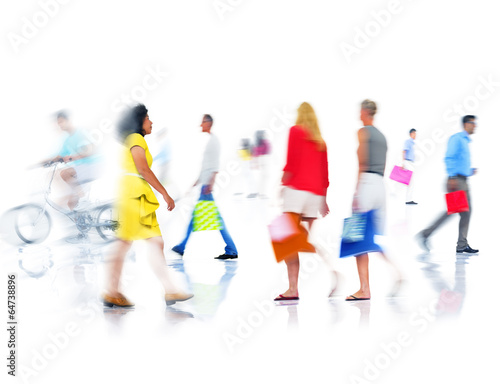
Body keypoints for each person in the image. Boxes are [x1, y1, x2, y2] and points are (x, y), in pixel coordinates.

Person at [102, 104, 193, 308]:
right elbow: (143, 168)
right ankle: (114, 291)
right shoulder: (136, 139)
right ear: (139, 121)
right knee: (138, 242)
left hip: (135, 193)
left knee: (140, 242)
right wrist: (165, 194)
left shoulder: (133, 140)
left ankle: (114, 291)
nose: (151, 122)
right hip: (135, 194)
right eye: (148, 118)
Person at [346, 99, 401, 301]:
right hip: (380, 185)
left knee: (357, 238)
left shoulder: (363, 132)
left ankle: (364, 289)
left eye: (360, 110)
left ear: (365, 112)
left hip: (367, 184)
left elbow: (362, 162)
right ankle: (398, 274)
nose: (358, 114)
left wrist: (356, 191)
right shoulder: (382, 137)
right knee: (371, 238)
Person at [274, 102, 330, 301]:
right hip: (315, 196)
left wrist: (282, 183)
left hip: (296, 191)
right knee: (302, 239)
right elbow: (325, 175)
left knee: (288, 240)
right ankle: (333, 270)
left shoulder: (295, 131)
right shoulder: (320, 142)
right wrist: (323, 201)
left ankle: (292, 289)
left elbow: (291, 162)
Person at [172, 114, 238, 260]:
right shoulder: (211, 141)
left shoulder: (214, 142)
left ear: (209, 123)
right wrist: (195, 183)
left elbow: (214, 166)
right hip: (204, 185)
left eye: (203, 122)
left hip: (207, 187)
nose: (200, 125)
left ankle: (183, 246)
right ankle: (231, 248)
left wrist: (210, 184)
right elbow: (206, 167)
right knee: (203, 218)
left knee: (201, 218)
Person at [417, 115, 479, 255]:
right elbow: (449, 157)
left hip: (462, 180)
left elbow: (459, 162)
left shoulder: (466, 141)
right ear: (466, 124)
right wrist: (451, 177)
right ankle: (426, 234)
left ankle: (461, 244)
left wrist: (469, 171)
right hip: (456, 181)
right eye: (473, 123)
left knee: (466, 213)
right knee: (454, 211)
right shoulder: (457, 138)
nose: (475, 126)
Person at [46, 110, 100, 210]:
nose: (60, 125)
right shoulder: (67, 140)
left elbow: (90, 151)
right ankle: (84, 223)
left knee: (65, 173)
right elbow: (60, 156)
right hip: (82, 170)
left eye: (61, 122)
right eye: (58, 123)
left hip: (93, 165)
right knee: (71, 204)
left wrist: (72, 157)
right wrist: (45, 162)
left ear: (68, 120)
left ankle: (83, 197)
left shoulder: (80, 132)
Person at [403, 128, 417, 205]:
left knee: (411, 182)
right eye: (414, 133)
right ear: (411, 134)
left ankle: (409, 199)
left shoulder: (413, 143)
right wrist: (403, 162)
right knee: (410, 182)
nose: (415, 135)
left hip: (411, 163)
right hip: (408, 162)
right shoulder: (408, 142)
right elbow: (404, 151)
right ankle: (408, 199)